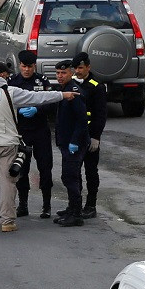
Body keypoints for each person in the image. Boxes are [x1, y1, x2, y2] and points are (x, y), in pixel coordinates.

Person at [0, 61, 73, 232]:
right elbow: (38, 97)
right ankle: (7, 222)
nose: (8, 76)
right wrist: (63, 95)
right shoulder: (11, 92)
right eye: (6, 74)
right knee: (8, 183)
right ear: (2, 75)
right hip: (8, 144)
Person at [8, 50, 57, 218]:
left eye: (30, 67)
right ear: (19, 65)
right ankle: (23, 204)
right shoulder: (12, 81)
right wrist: (19, 110)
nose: (26, 70)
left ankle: (46, 205)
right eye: (23, 66)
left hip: (40, 130)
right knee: (22, 168)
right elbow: (6, 103)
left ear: (34, 66)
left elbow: (51, 103)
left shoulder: (42, 81)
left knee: (45, 167)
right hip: (22, 132)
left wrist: (37, 108)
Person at [53, 60, 94, 226]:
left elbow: (82, 119)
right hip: (66, 141)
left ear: (70, 73)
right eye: (57, 73)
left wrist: (75, 141)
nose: (60, 76)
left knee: (70, 177)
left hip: (73, 142)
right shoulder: (64, 89)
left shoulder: (74, 92)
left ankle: (76, 214)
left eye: (63, 73)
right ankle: (71, 208)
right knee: (70, 176)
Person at [73, 52, 108, 218]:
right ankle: (75, 204)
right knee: (74, 172)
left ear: (88, 67)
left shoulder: (96, 87)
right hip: (75, 137)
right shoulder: (72, 84)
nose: (78, 71)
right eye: (76, 68)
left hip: (89, 137)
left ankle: (91, 204)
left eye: (80, 68)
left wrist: (96, 137)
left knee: (91, 172)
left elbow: (100, 115)